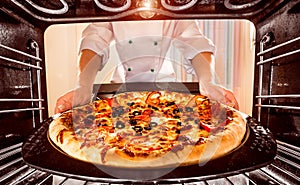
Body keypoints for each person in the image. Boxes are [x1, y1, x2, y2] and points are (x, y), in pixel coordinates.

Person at [54, 20, 238, 114]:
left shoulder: (173, 3)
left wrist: (208, 81)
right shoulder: (112, 3)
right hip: (120, 90)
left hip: (166, 90)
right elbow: (94, 40)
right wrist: (83, 85)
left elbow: (195, 42)